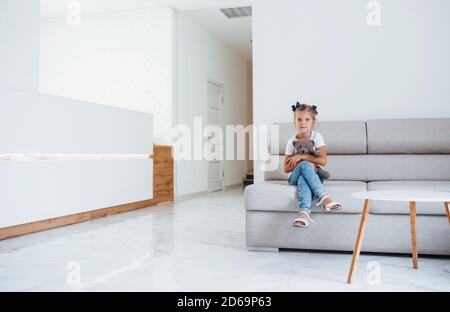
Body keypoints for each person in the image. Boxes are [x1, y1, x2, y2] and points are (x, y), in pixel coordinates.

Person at [284, 102, 343, 227]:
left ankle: (304, 213)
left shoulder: (317, 137)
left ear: (313, 123)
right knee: (304, 166)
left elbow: (323, 161)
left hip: (315, 174)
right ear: (294, 122)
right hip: (293, 176)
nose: (302, 122)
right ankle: (324, 197)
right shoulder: (291, 141)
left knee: (303, 178)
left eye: (307, 119)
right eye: (299, 119)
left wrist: (302, 156)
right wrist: (300, 162)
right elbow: (286, 168)